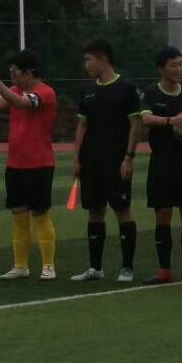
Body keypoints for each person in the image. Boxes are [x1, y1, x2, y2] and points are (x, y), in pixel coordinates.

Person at [0, 51, 59, 281]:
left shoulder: (45, 92)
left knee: (40, 213)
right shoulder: (15, 90)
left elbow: (21, 104)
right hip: (15, 163)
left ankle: (48, 265)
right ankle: (20, 265)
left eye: (15, 72)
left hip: (39, 163)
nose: (12, 77)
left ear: (28, 73)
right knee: (18, 214)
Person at [70, 39, 141, 283]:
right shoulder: (87, 91)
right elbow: (82, 125)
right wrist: (77, 157)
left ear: (103, 58)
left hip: (116, 160)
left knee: (122, 209)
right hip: (91, 161)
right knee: (94, 210)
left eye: (89, 59)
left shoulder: (126, 88)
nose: (86, 64)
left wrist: (129, 157)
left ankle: (127, 268)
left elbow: (135, 125)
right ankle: (95, 268)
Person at [139, 46, 182, 284]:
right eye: (173, 65)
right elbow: (145, 118)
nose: (179, 69)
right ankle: (164, 270)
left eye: (181, 65)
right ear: (161, 69)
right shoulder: (151, 92)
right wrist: (171, 121)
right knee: (163, 215)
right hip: (161, 161)